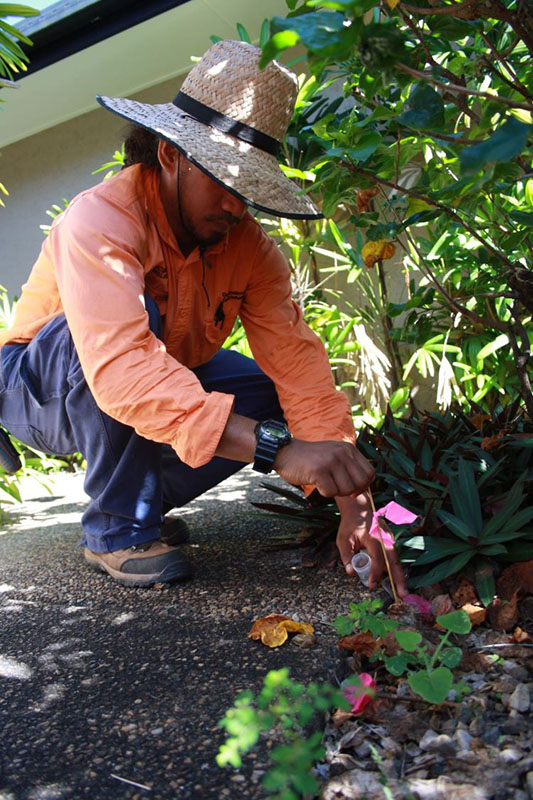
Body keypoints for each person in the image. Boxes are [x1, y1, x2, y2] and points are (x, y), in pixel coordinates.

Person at [0, 40, 406, 595]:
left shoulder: (251, 250)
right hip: (40, 385)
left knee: (266, 394)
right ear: (170, 155)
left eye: (248, 189)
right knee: (129, 334)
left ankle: (136, 497)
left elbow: (298, 365)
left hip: (149, 372)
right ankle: (116, 528)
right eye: (223, 180)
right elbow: (122, 369)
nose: (235, 206)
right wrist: (277, 450)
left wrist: (353, 501)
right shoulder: (100, 220)